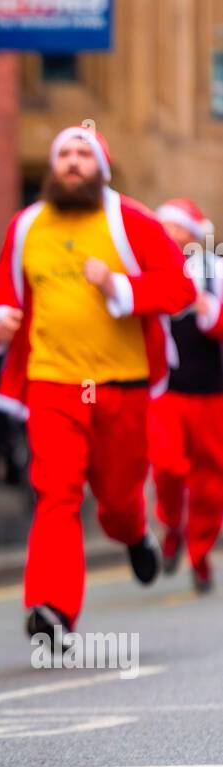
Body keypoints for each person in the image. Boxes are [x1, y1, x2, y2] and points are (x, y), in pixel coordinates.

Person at [0, 125, 196, 643]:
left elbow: (180, 288)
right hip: (52, 385)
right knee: (56, 494)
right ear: (53, 168)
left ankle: (133, 533)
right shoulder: (27, 225)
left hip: (122, 386)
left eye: (84, 154)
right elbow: (2, 295)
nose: (73, 163)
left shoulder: (132, 222)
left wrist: (117, 284)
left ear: (101, 167)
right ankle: (52, 609)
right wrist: (0, 321)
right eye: (64, 155)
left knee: (119, 499)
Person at [150, 199, 223, 593]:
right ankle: (171, 525)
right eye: (165, 228)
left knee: (211, 481)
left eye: (178, 229)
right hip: (165, 390)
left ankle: (200, 553)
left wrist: (205, 308)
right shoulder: (146, 267)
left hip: (211, 392)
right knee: (167, 466)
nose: (172, 235)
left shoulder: (215, 271)